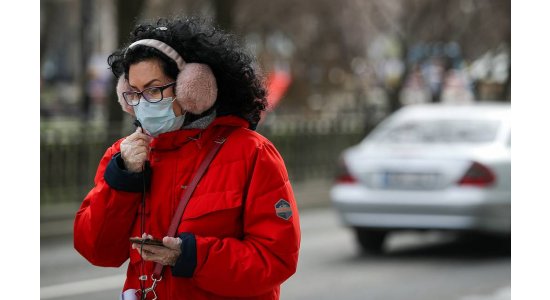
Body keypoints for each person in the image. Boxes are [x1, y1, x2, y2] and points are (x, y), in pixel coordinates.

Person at [74, 16, 301, 300]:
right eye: (133, 92)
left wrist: (192, 257)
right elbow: (96, 250)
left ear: (193, 88)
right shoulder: (124, 155)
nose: (142, 102)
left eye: (154, 89)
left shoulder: (253, 154)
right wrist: (122, 179)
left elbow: (276, 258)